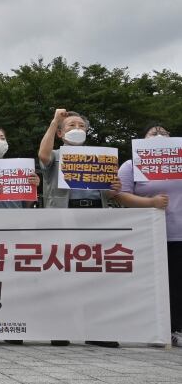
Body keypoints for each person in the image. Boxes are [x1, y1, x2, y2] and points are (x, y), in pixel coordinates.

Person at [38, 108, 121, 348]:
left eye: (81, 126)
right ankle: (60, 328)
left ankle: (97, 329)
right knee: (62, 272)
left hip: (95, 214)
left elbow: (108, 192)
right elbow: (43, 155)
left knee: (95, 274)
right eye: (71, 125)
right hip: (65, 215)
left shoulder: (100, 157)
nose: (77, 129)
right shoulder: (55, 154)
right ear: (62, 133)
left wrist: (114, 187)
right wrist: (54, 121)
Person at [115, 124, 181, 347]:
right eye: (153, 133)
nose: (159, 136)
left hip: (178, 233)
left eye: (164, 133)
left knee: (177, 283)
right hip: (149, 234)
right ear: (142, 139)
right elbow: (122, 196)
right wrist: (151, 203)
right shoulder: (131, 165)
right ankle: (155, 328)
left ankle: (175, 328)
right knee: (153, 284)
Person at [0, 125, 40, 345]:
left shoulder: (19, 169)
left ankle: (12, 326)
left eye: (3, 137)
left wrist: (33, 187)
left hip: (15, 229)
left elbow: (28, 203)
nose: (0, 141)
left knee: (13, 280)